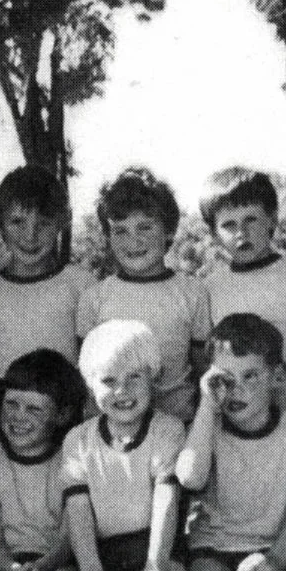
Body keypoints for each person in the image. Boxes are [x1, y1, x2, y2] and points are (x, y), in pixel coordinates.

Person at [175, 314, 286, 571]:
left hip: (274, 549)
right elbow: (190, 478)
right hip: (212, 552)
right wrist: (207, 405)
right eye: (225, 379)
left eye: (250, 376)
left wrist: (277, 558)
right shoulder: (207, 426)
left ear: (277, 376)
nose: (236, 390)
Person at [0, 166, 96, 456]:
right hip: (0, 404)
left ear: (63, 222)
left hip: (59, 406)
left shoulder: (80, 283)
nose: (30, 235)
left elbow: (89, 360)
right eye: (17, 222)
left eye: (44, 223)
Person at [60, 320, 188, 571]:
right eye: (109, 381)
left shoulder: (168, 430)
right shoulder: (77, 440)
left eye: (134, 377)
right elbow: (78, 511)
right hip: (101, 555)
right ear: (90, 385)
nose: (122, 390)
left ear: (153, 378)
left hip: (158, 550)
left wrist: (155, 565)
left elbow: (166, 501)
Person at [76, 167, 211, 423]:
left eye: (145, 228)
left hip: (177, 425)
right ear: (107, 236)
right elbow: (87, 378)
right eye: (121, 231)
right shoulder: (95, 297)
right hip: (112, 430)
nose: (133, 241)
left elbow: (202, 370)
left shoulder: (192, 292)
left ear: (169, 231)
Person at [201, 167, 286, 409]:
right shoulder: (209, 287)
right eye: (229, 225)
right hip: (239, 420)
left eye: (251, 219)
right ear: (214, 234)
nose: (242, 232)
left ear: (272, 219)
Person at [0, 350, 89, 571]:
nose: (19, 416)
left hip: (56, 564)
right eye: (11, 404)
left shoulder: (71, 462)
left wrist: (42, 569)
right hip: (3, 565)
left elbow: (68, 539)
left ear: (62, 416)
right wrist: (13, 570)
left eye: (34, 409)